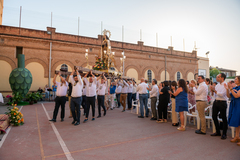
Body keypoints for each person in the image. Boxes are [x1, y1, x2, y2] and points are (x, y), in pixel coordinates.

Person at [210, 73, 228, 139]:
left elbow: (222, 94)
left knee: (224, 118)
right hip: (216, 102)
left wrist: (214, 90)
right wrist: (212, 91)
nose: (217, 78)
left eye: (218, 77)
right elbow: (214, 95)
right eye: (217, 77)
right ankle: (218, 131)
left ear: (222, 78)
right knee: (214, 116)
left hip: (222, 102)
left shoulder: (225, 85)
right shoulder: (217, 85)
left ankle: (224, 134)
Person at [225, 76, 240, 145]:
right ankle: (237, 136)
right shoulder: (235, 88)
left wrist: (230, 88)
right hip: (234, 105)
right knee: (237, 122)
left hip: (238, 105)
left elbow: (237, 95)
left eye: (236, 79)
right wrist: (227, 89)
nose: (234, 80)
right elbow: (229, 96)